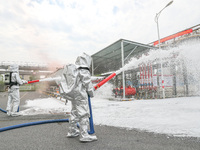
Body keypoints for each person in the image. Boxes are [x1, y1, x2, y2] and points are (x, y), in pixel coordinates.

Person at [61, 53, 97, 142]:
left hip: (73, 94)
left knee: (74, 112)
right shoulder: (84, 68)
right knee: (83, 113)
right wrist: (91, 93)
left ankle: (72, 131)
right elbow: (87, 82)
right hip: (80, 93)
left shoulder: (73, 69)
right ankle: (84, 135)